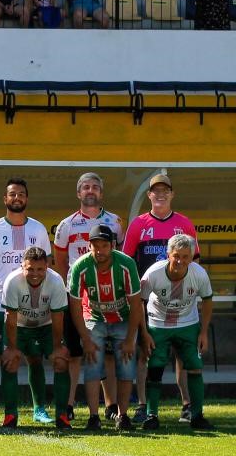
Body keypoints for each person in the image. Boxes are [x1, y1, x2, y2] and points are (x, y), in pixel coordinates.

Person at [0, 178, 51, 428]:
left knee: (35, 357)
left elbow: (47, 264)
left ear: (26, 199)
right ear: (5, 199)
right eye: (12, 194)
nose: (16, 198)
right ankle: (0, 412)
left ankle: (39, 408)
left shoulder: (38, 229)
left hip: (33, 307)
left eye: (21, 194)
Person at [123, 174, 199, 423]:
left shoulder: (185, 223)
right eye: (156, 191)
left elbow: (195, 261)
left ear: (172, 194)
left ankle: (187, 404)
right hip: (149, 301)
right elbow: (127, 261)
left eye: (165, 190)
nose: (161, 194)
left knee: (182, 353)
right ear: (149, 195)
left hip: (180, 301)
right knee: (146, 351)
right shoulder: (138, 224)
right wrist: (134, 296)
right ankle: (143, 405)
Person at [52, 172, 125, 422]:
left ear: (101, 193)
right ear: (78, 193)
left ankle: (111, 404)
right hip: (76, 298)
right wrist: (70, 290)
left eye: (95, 187)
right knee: (74, 352)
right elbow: (61, 262)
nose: (90, 191)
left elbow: (121, 258)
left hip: (107, 297)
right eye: (85, 187)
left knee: (108, 353)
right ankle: (70, 403)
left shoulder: (115, 222)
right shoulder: (66, 225)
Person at [68, 224, 143, 431]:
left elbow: (136, 304)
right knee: (93, 364)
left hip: (122, 318)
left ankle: (123, 415)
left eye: (104, 245)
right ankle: (94, 416)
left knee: (126, 365)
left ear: (112, 245)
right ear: (89, 246)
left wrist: (130, 339)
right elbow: (74, 305)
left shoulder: (126, 264)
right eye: (95, 246)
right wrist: (86, 337)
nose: (99, 251)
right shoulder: (80, 266)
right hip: (94, 317)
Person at [140, 234, 213, 430]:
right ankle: (151, 415)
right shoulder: (153, 274)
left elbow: (207, 300)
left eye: (185, 256)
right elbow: (139, 302)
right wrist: (144, 332)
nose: (180, 261)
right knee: (155, 367)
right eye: (176, 255)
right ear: (168, 255)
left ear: (191, 257)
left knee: (195, 366)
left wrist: (203, 332)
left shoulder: (199, 274)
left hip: (187, 324)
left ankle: (197, 415)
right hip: (158, 323)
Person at [2, 247, 71, 428]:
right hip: (20, 327)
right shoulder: (12, 281)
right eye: (30, 269)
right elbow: (10, 318)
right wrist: (11, 348)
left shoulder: (56, 282)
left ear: (47, 267)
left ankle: (62, 415)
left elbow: (58, 318)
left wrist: (57, 348)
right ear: (22, 266)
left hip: (45, 326)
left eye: (40, 269)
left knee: (62, 360)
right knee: (10, 362)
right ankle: (10, 415)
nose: (35, 274)